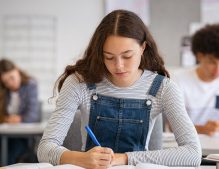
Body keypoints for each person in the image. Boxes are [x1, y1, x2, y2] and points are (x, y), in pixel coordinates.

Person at [37, 10, 201, 169]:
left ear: (143, 48)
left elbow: (193, 153)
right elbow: (45, 149)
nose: (119, 66)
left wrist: (123, 159)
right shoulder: (79, 83)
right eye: (108, 57)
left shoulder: (163, 88)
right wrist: (81, 159)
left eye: (127, 56)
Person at [173, 24, 219, 137]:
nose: (218, 69)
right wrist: (202, 129)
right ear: (199, 56)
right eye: (212, 62)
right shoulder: (179, 79)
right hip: (187, 144)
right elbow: (174, 126)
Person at [0, 58, 39, 164]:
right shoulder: (4, 91)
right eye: (6, 82)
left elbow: (33, 115)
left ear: (17, 70)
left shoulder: (30, 85)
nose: (10, 83)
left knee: (10, 152)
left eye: (12, 78)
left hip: (22, 136)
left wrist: (18, 119)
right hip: (4, 134)